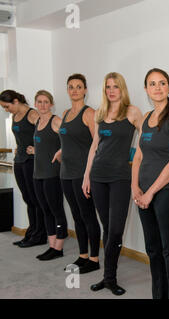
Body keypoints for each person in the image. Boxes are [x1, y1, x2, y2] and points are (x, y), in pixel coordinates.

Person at [132, 68, 169, 299]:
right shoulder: (145, 118)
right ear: (146, 89)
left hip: (168, 192)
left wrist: (150, 193)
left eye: (162, 83)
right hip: (143, 192)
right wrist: (135, 187)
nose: (157, 87)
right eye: (152, 83)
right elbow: (138, 156)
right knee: (153, 250)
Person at [84, 72, 142, 296]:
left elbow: (145, 139)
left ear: (122, 89)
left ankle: (110, 276)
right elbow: (94, 147)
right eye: (108, 86)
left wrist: (139, 162)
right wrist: (86, 176)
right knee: (107, 228)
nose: (111, 90)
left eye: (115, 86)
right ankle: (108, 277)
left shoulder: (132, 112)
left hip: (120, 177)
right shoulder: (100, 114)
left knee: (116, 230)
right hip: (98, 176)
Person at [58, 74, 101, 274]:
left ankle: (94, 259)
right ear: (67, 90)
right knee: (76, 216)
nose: (74, 90)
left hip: (82, 174)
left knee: (88, 215)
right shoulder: (65, 113)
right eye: (71, 87)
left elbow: (97, 144)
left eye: (78, 86)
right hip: (66, 173)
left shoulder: (89, 113)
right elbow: (68, 141)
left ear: (85, 90)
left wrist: (89, 174)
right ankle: (82, 255)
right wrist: (60, 152)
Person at [0, 90, 47, 248]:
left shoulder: (32, 115)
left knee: (36, 199)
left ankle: (40, 235)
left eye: (7, 106)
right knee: (28, 198)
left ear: (15, 101)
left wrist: (37, 149)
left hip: (32, 161)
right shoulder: (14, 116)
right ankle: (32, 232)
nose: (6, 110)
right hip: (19, 160)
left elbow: (47, 133)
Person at [28, 90, 68, 261]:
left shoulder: (56, 121)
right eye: (39, 102)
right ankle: (52, 245)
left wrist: (60, 152)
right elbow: (45, 144)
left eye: (46, 102)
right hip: (38, 173)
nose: (43, 105)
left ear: (51, 104)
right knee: (45, 210)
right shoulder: (37, 121)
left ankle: (59, 247)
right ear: (35, 104)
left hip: (53, 174)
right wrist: (36, 150)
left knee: (56, 210)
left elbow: (70, 141)